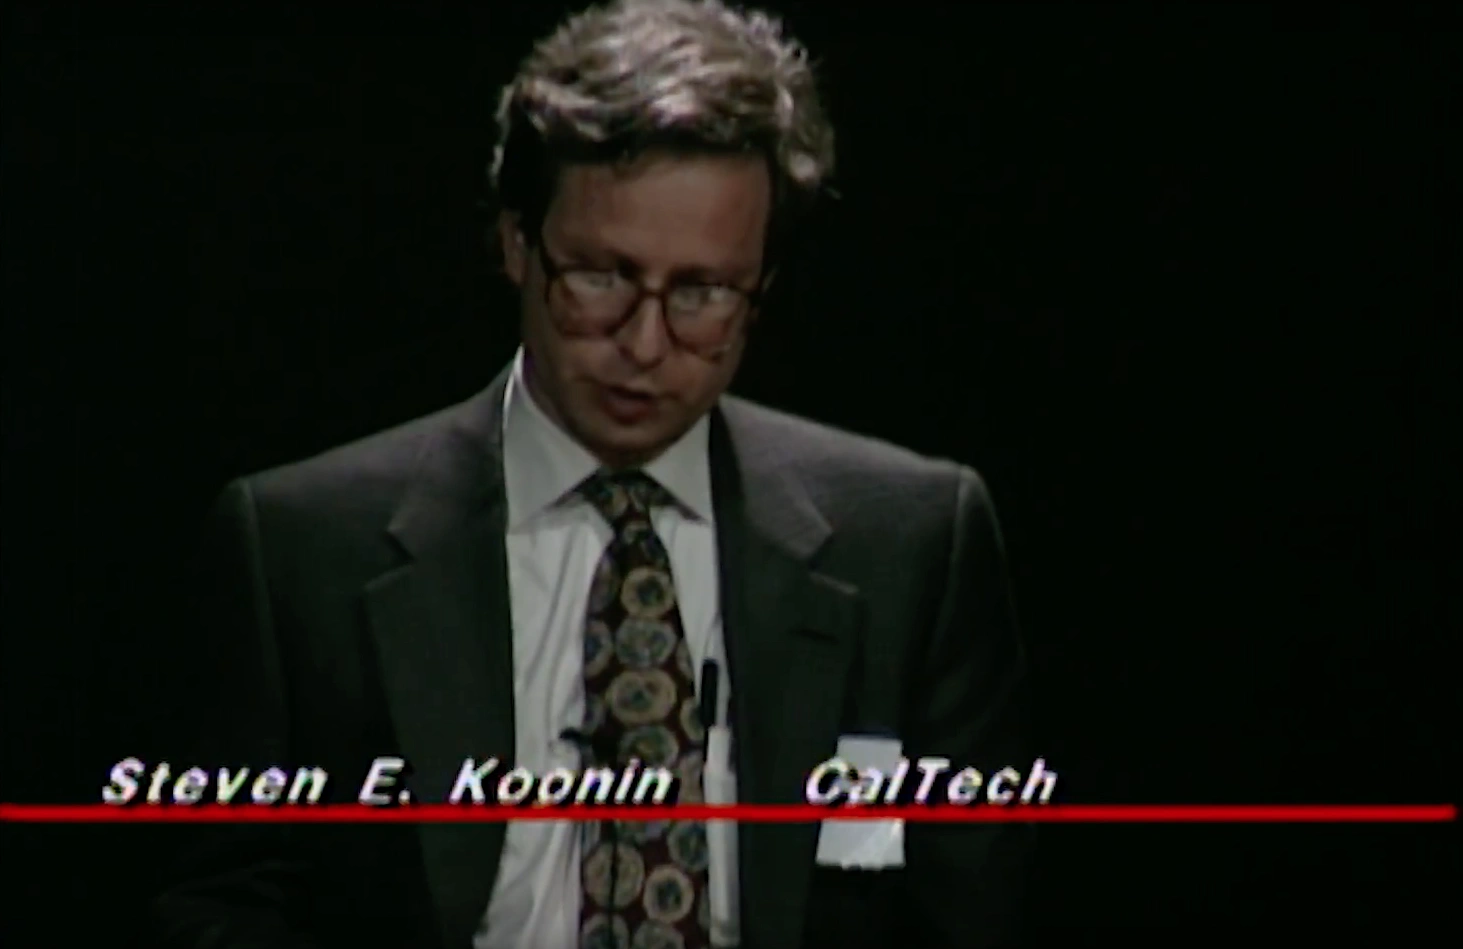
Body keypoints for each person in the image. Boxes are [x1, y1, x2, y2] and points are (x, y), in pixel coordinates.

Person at [153, 1, 1035, 947]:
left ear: (761, 287)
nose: (645, 344)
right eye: (601, 277)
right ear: (517, 245)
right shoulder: (295, 551)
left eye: (700, 293)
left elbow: (968, 910)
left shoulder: (911, 544)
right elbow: (216, 898)